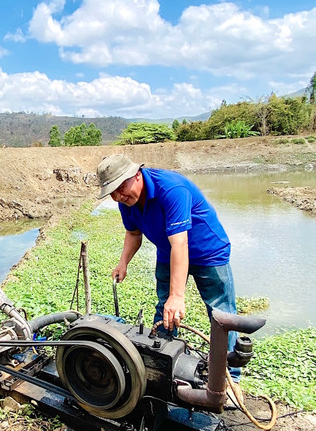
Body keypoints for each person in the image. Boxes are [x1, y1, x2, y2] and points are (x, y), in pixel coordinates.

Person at [96, 153, 241, 381]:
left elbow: (180, 243)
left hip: (208, 252)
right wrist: (123, 263)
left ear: (136, 175)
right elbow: (133, 233)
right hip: (168, 250)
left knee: (221, 314)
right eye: (112, 192)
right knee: (164, 307)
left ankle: (229, 376)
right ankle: (161, 363)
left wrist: (177, 296)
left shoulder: (172, 189)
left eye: (120, 187)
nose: (118, 196)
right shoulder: (126, 201)